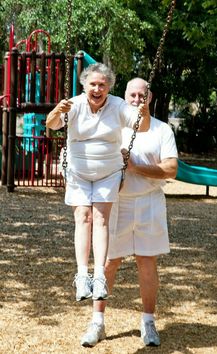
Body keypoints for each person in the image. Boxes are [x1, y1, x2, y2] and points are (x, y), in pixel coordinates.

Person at [81, 78, 178, 347]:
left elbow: (170, 169)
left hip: (150, 202)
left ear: (150, 98)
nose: (137, 100)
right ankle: (97, 322)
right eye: (132, 95)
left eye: (142, 95)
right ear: (125, 97)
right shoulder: (114, 126)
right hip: (118, 203)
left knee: (147, 262)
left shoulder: (162, 130)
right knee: (108, 262)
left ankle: (148, 322)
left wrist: (136, 167)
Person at [46, 65, 150, 303]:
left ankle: (100, 276)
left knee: (101, 219)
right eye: (93, 84)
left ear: (109, 87)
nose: (97, 89)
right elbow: (52, 125)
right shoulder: (74, 104)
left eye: (102, 84)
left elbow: (141, 127)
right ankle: (82, 276)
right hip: (78, 172)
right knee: (83, 217)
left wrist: (145, 112)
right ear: (85, 86)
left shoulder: (118, 105)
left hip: (108, 172)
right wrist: (56, 111)